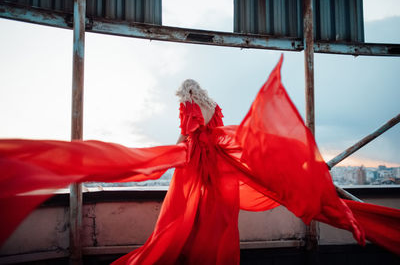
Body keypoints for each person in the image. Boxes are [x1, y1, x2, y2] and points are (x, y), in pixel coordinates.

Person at [0, 56, 399, 264]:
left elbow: (188, 136)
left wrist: (173, 151)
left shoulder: (189, 106)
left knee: (182, 218)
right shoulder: (214, 105)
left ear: (184, 93)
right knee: (219, 221)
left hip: (196, 173)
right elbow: (218, 133)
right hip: (220, 174)